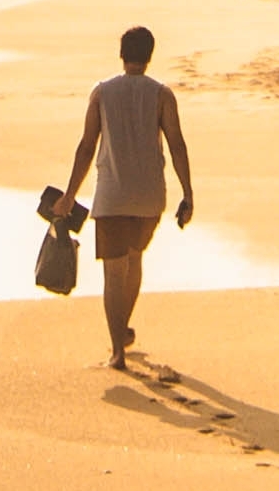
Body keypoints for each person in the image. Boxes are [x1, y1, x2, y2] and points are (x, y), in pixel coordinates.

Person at [57, 24, 194, 369]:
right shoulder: (162, 95)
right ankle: (123, 328)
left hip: (113, 196)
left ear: (122, 55)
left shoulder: (102, 93)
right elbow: (177, 145)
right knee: (134, 262)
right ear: (149, 56)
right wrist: (188, 194)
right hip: (150, 198)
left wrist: (69, 195)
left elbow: (87, 147)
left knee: (113, 273)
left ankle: (118, 351)